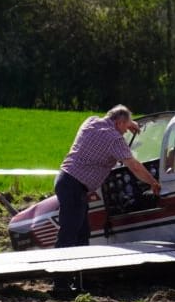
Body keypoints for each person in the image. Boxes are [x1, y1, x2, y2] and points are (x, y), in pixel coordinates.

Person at [54, 105, 160, 250]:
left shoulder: (90, 122)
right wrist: (152, 182)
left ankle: (79, 270)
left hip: (64, 180)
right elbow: (134, 166)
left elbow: (116, 118)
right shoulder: (114, 139)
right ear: (119, 123)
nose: (124, 133)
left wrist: (129, 123)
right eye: (124, 129)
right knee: (69, 235)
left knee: (82, 233)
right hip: (75, 187)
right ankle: (59, 270)